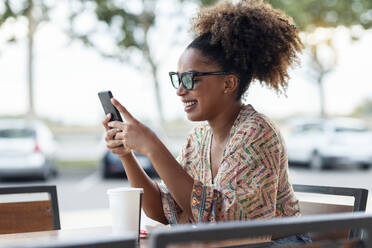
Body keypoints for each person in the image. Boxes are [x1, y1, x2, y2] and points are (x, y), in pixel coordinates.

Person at [103, 0, 311, 245]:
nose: (180, 90)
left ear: (228, 83)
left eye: (190, 79)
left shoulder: (257, 133)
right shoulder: (198, 139)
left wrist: (153, 147)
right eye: (177, 79)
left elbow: (231, 226)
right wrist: (127, 155)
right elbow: (163, 210)